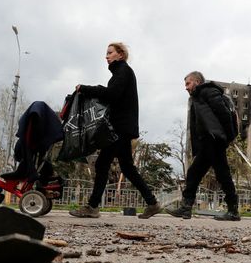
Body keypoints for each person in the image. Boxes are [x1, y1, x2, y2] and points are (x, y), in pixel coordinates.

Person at [68, 42, 161, 219]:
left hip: (119, 128)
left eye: (110, 53)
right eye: (107, 53)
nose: (107, 56)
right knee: (127, 167)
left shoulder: (123, 71)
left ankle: (93, 207)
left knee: (103, 164)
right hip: (122, 127)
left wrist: (87, 89)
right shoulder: (121, 72)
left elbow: (112, 94)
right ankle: (152, 203)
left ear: (120, 55)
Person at [166, 71, 240, 221]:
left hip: (214, 140)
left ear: (197, 82)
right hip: (207, 142)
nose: (186, 88)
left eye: (188, 83)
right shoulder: (196, 98)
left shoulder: (208, 91)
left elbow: (224, 114)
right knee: (194, 173)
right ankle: (186, 208)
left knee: (222, 174)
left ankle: (233, 210)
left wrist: (228, 137)